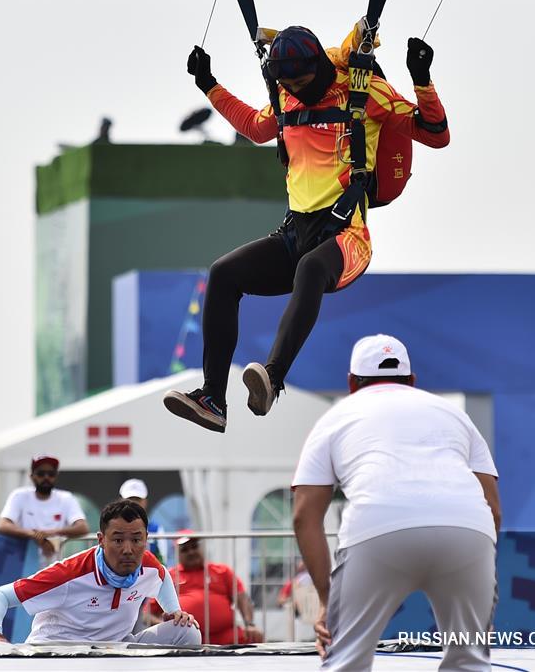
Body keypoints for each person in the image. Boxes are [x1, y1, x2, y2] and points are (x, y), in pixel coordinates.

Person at [164, 25, 449, 433]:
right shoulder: (286, 96)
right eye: (289, 83)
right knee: (224, 273)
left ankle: (272, 377)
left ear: (318, 65)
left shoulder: (364, 92)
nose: (297, 89)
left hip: (346, 237)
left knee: (311, 270)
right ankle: (212, 397)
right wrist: (208, 84)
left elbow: (435, 134)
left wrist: (421, 79)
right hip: (294, 234)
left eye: (302, 80)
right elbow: (256, 127)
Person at [292, 334, 501, 672]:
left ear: (351, 382)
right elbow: (493, 509)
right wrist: (479, 573)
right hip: (467, 531)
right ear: (413, 381)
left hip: (377, 529)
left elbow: (304, 517)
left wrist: (327, 602)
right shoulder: (454, 415)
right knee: (469, 662)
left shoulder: (335, 417)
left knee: (345, 661)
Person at [0, 500, 201, 647]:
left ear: (146, 539)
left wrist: (174, 611)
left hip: (117, 649)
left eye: (136, 540)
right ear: (101, 540)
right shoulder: (67, 574)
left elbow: (161, 578)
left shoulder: (150, 565)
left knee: (188, 631)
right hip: (57, 654)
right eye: (117, 540)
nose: (128, 549)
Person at [149, 532, 263, 645]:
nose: (191, 552)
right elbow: (148, 612)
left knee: (255, 637)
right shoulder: (169, 576)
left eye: (194, 547)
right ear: (177, 553)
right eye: (185, 549)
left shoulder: (222, 571)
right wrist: (167, 628)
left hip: (227, 635)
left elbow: (242, 597)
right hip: (186, 637)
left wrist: (250, 624)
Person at [0, 455, 89, 561]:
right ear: (32, 476)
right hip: (25, 565)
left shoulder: (66, 498)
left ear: (56, 476)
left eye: (51, 474)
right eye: (41, 474)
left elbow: (82, 527)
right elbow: (3, 526)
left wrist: (49, 534)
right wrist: (34, 535)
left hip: (54, 564)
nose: (46, 477)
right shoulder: (19, 495)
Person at [118, 478, 166, 562]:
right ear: (121, 500)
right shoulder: (111, 527)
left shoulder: (156, 529)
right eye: (130, 499)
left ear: (145, 502)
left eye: (137, 499)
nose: (133, 503)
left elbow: (162, 559)